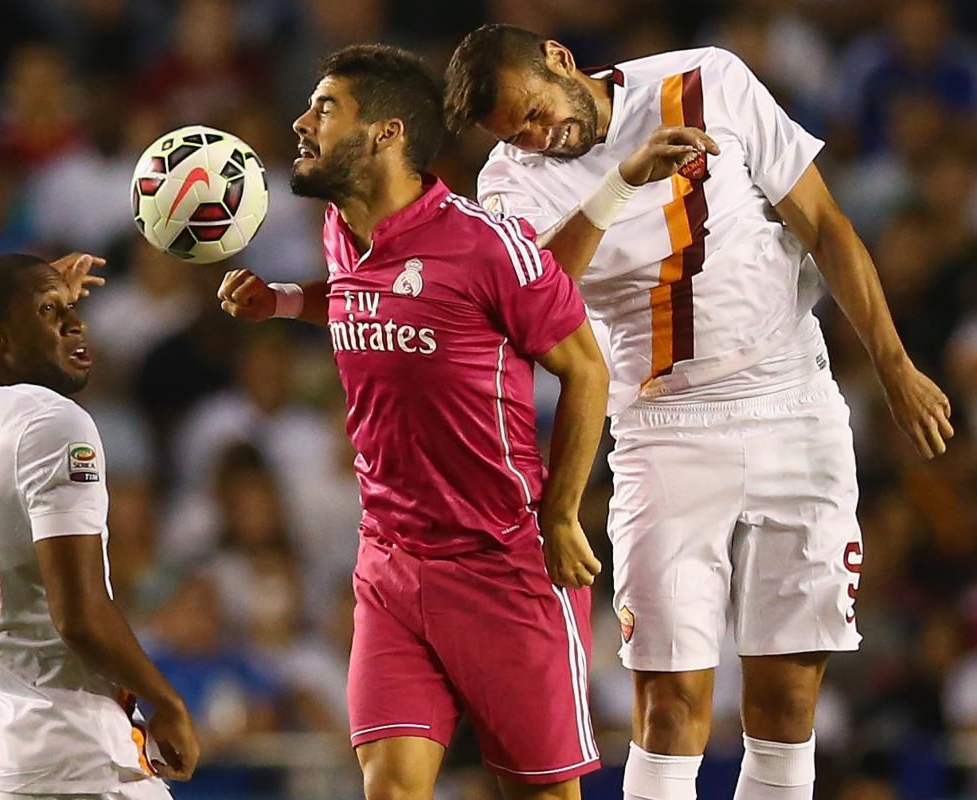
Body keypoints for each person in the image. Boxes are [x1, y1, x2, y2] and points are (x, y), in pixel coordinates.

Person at [443, 23, 955, 800]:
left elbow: (822, 223)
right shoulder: (508, 180)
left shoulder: (708, 78)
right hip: (663, 428)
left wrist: (893, 366)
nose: (540, 137)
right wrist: (621, 185)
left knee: (787, 701)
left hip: (793, 401)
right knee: (670, 703)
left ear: (558, 59)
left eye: (537, 113)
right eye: (518, 131)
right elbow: (533, 303)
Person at [216, 44, 707, 800]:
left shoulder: (484, 245)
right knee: (390, 789)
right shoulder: (339, 227)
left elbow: (583, 369)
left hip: (502, 565)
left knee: (539, 793)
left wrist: (562, 516)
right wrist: (281, 301)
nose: (299, 122)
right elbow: (362, 296)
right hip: (388, 562)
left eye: (324, 108)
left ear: (385, 133)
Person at [0, 252, 200, 800]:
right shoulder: (51, 420)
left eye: (69, 308)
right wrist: (167, 700)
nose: (76, 323)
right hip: (76, 750)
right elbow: (79, 614)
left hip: (0, 752)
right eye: (50, 312)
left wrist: (28, 304)